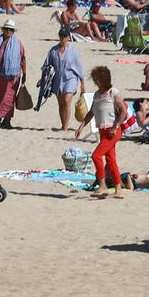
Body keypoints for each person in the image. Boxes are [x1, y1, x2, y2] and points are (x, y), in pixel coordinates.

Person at [75, 65, 127, 199]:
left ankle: (103, 186)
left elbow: (123, 112)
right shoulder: (97, 95)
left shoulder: (113, 93)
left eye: (97, 80)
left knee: (96, 156)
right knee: (111, 160)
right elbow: (92, 112)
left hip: (113, 130)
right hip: (102, 130)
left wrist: (115, 127)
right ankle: (118, 189)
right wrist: (81, 126)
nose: (95, 82)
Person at [0, 19, 26, 129]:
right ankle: (4, 120)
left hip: (12, 76)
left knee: (9, 98)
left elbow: (23, 59)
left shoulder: (18, 44)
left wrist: (25, 74)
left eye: (11, 29)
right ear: (3, 29)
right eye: (6, 29)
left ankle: (7, 120)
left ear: (13, 31)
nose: (8, 31)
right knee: (0, 96)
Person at [44, 27, 84, 131]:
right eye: (61, 35)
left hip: (70, 79)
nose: (62, 38)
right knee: (61, 103)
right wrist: (43, 79)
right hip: (57, 80)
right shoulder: (53, 50)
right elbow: (47, 65)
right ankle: (63, 125)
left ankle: (66, 126)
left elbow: (79, 67)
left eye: (64, 36)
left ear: (68, 37)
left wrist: (82, 83)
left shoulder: (73, 51)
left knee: (67, 101)